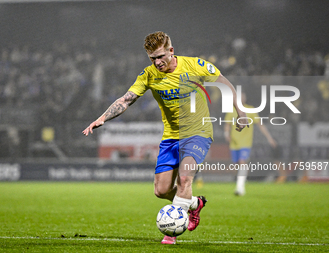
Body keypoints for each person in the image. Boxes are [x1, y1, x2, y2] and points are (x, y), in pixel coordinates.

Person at [82, 31, 248, 244]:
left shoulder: (195, 66)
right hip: (171, 137)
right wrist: (102, 118)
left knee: (185, 178)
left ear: (171, 51)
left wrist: (240, 113)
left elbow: (225, 84)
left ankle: (170, 233)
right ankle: (195, 203)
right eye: (153, 58)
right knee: (161, 191)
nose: (158, 62)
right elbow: (126, 99)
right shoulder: (148, 75)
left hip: (198, 133)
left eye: (161, 56)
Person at [224, 92, 277, 196]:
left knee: (242, 161)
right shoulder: (231, 110)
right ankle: (241, 181)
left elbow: (260, 125)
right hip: (234, 143)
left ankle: (240, 187)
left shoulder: (250, 110)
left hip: (245, 143)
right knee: (236, 166)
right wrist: (226, 134)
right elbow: (227, 124)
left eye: (243, 96)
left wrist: (269, 138)